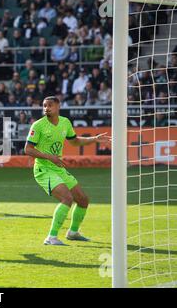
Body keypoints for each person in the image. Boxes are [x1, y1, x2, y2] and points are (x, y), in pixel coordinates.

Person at [24, 96, 111, 245]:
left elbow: (75, 141)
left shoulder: (65, 123)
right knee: (67, 198)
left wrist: (94, 139)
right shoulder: (38, 125)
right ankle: (51, 237)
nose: (46, 108)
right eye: (44, 106)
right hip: (43, 169)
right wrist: (49, 157)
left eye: (50, 105)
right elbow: (28, 149)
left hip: (58, 168)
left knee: (83, 200)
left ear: (58, 106)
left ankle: (73, 232)